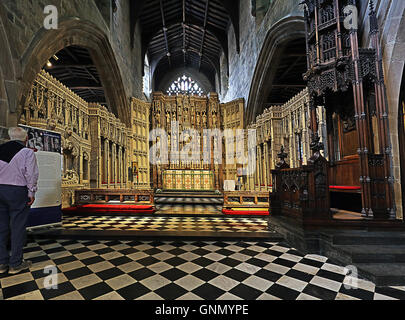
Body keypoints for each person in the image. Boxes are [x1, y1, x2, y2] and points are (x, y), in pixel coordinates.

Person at [0, 127, 39, 275]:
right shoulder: (27, 152)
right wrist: (31, 192)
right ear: (26, 139)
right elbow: (31, 174)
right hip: (17, 191)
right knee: (17, 226)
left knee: (1, 226)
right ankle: (15, 263)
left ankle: (1, 262)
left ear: (10, 137)